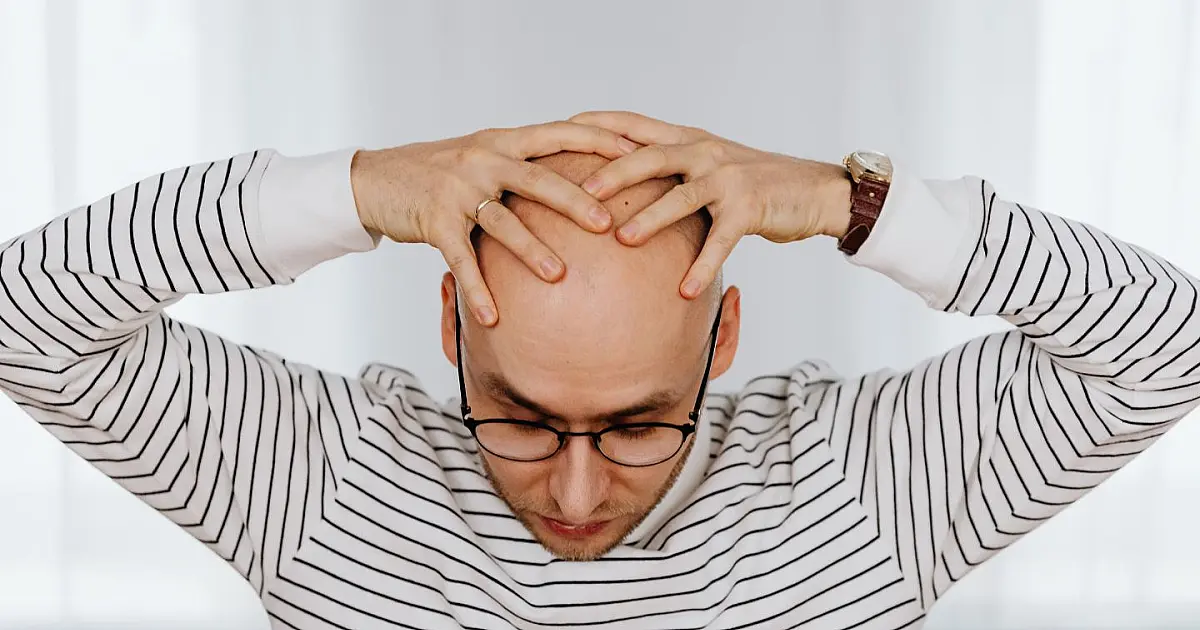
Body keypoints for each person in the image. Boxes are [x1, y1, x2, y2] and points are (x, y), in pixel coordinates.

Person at [1, 111, 1196, 630]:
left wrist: (848, 200)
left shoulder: (861, 485)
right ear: (450, 329)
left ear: (722, 344)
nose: (574, 499)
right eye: (517, 421)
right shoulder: (328, 479)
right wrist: (353, 189)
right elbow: (25, 319)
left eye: (638, 427)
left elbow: (1164, 348)